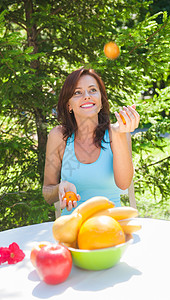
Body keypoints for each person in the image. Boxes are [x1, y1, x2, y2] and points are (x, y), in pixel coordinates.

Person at [43, 68, 140, 216]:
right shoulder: (58, 137)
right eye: (77, 92)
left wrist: (120, 134)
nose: (87, 96)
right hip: (72, 227)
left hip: (111, 226)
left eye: (93, 90)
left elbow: (124, 183)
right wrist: (60, 188)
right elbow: (47, 193)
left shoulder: (117, 133)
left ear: (101, 100)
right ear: (68, 105)